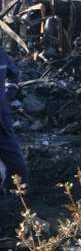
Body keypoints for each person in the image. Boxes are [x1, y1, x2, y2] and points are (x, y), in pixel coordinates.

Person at [0, 49, 26, 194]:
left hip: (2, 121)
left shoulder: (1, 55)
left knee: (17, 167)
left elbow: (13, 74)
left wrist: (6, 97)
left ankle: (14, 206)